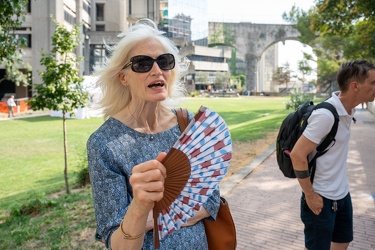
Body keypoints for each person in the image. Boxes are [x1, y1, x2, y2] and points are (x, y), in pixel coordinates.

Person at [87, 19, 220, 250]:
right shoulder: (104, 143)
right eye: (142, 64)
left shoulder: (187, 123)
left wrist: (152, 219)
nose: (157, 70)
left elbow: (212, 201)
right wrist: (139, 205)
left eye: (164, 61)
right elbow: (117, 244)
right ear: (123, 77)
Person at [290, 60, 375, 250]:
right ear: (355, 86)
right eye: (373, 82)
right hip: (320, 198)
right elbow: (297, 155)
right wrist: (310, 195)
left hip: (342, 194)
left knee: (342, 242)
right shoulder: (326, 115)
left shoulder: (347, 110)